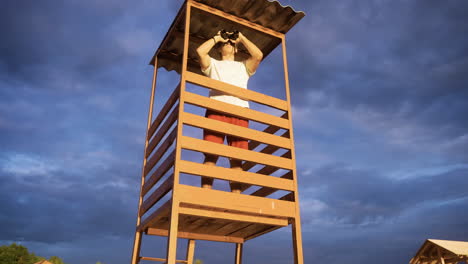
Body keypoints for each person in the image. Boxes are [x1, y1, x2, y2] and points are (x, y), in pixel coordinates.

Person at [196, 30, 263, 193]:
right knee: (211, 155)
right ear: (219, 49)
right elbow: (200, 51)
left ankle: (236, 197)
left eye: (231, 43)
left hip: (239, 112)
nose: (229, 43)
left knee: (236, 159)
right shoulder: (212, 64)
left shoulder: (243, 67)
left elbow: (258, 55)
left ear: (237, 49)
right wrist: (217, 38)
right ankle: (206, 194)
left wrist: (241, 38)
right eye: (225, 43)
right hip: (216, 110)